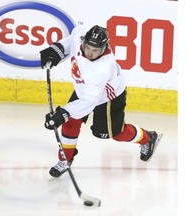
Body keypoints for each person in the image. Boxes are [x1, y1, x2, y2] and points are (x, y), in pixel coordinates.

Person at [40, 25, 162, 178]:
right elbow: (71, 40)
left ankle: (148, 138)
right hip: (86, 90)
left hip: (108, 96)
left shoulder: (101, 69)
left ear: (104, 49)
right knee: (70, 122)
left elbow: (88, 102)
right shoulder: (80, 36)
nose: (89, 53)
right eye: (87, 47)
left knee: (114, 134)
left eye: (95, 50)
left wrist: (62, 113)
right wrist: (56, 50)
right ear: (83, 41)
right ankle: (65, 159)